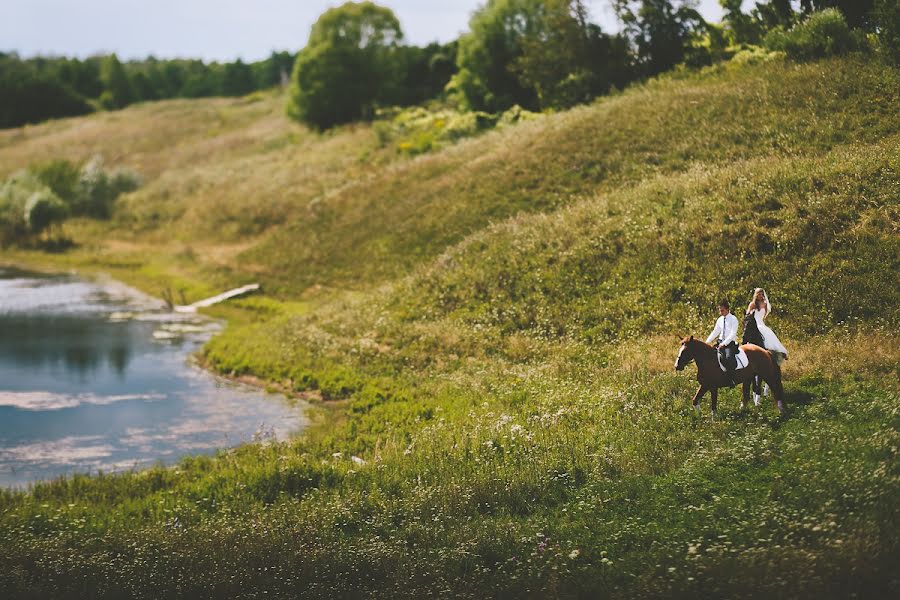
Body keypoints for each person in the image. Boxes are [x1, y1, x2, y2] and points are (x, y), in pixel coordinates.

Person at [746, 288, 788, 365]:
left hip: (761, 322)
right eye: (759, 294)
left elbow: (764, 315)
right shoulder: (752, 304)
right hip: (754, 323)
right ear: (756, 295)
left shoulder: (765, 304)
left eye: (762, 294)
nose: (760, 296)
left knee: (768, 334)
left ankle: (778, 352)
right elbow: (747, 315)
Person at [706, 298, 739, 386]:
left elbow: (733, 333)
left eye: (722, 310)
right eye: (720, 311)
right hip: (720, 342)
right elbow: (715, 331)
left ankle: (731, 379)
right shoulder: (720, 319)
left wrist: (724, 343)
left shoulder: (733, 319)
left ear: (727, 309)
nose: (721, 312)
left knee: (728, 358)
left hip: (729, 343)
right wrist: (707, 342)